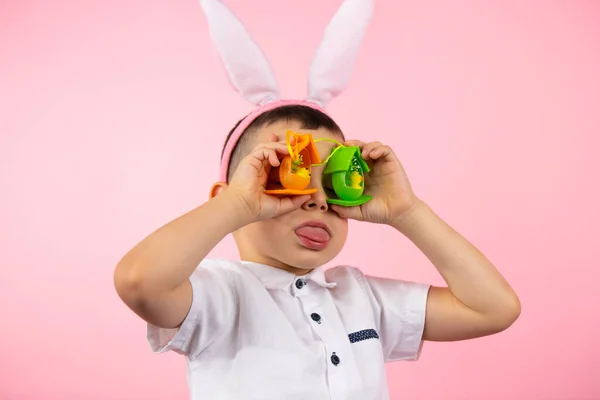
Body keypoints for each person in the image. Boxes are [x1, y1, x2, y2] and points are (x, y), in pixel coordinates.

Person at [114, 1, 520, 399]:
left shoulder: (362, 299)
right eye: (288, 179)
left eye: (335, 183)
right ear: (232, 196)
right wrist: (238, 205)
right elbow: (139, 281)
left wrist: (407, 211)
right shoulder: (219, 295)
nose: (317, 201)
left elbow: (493, 308)